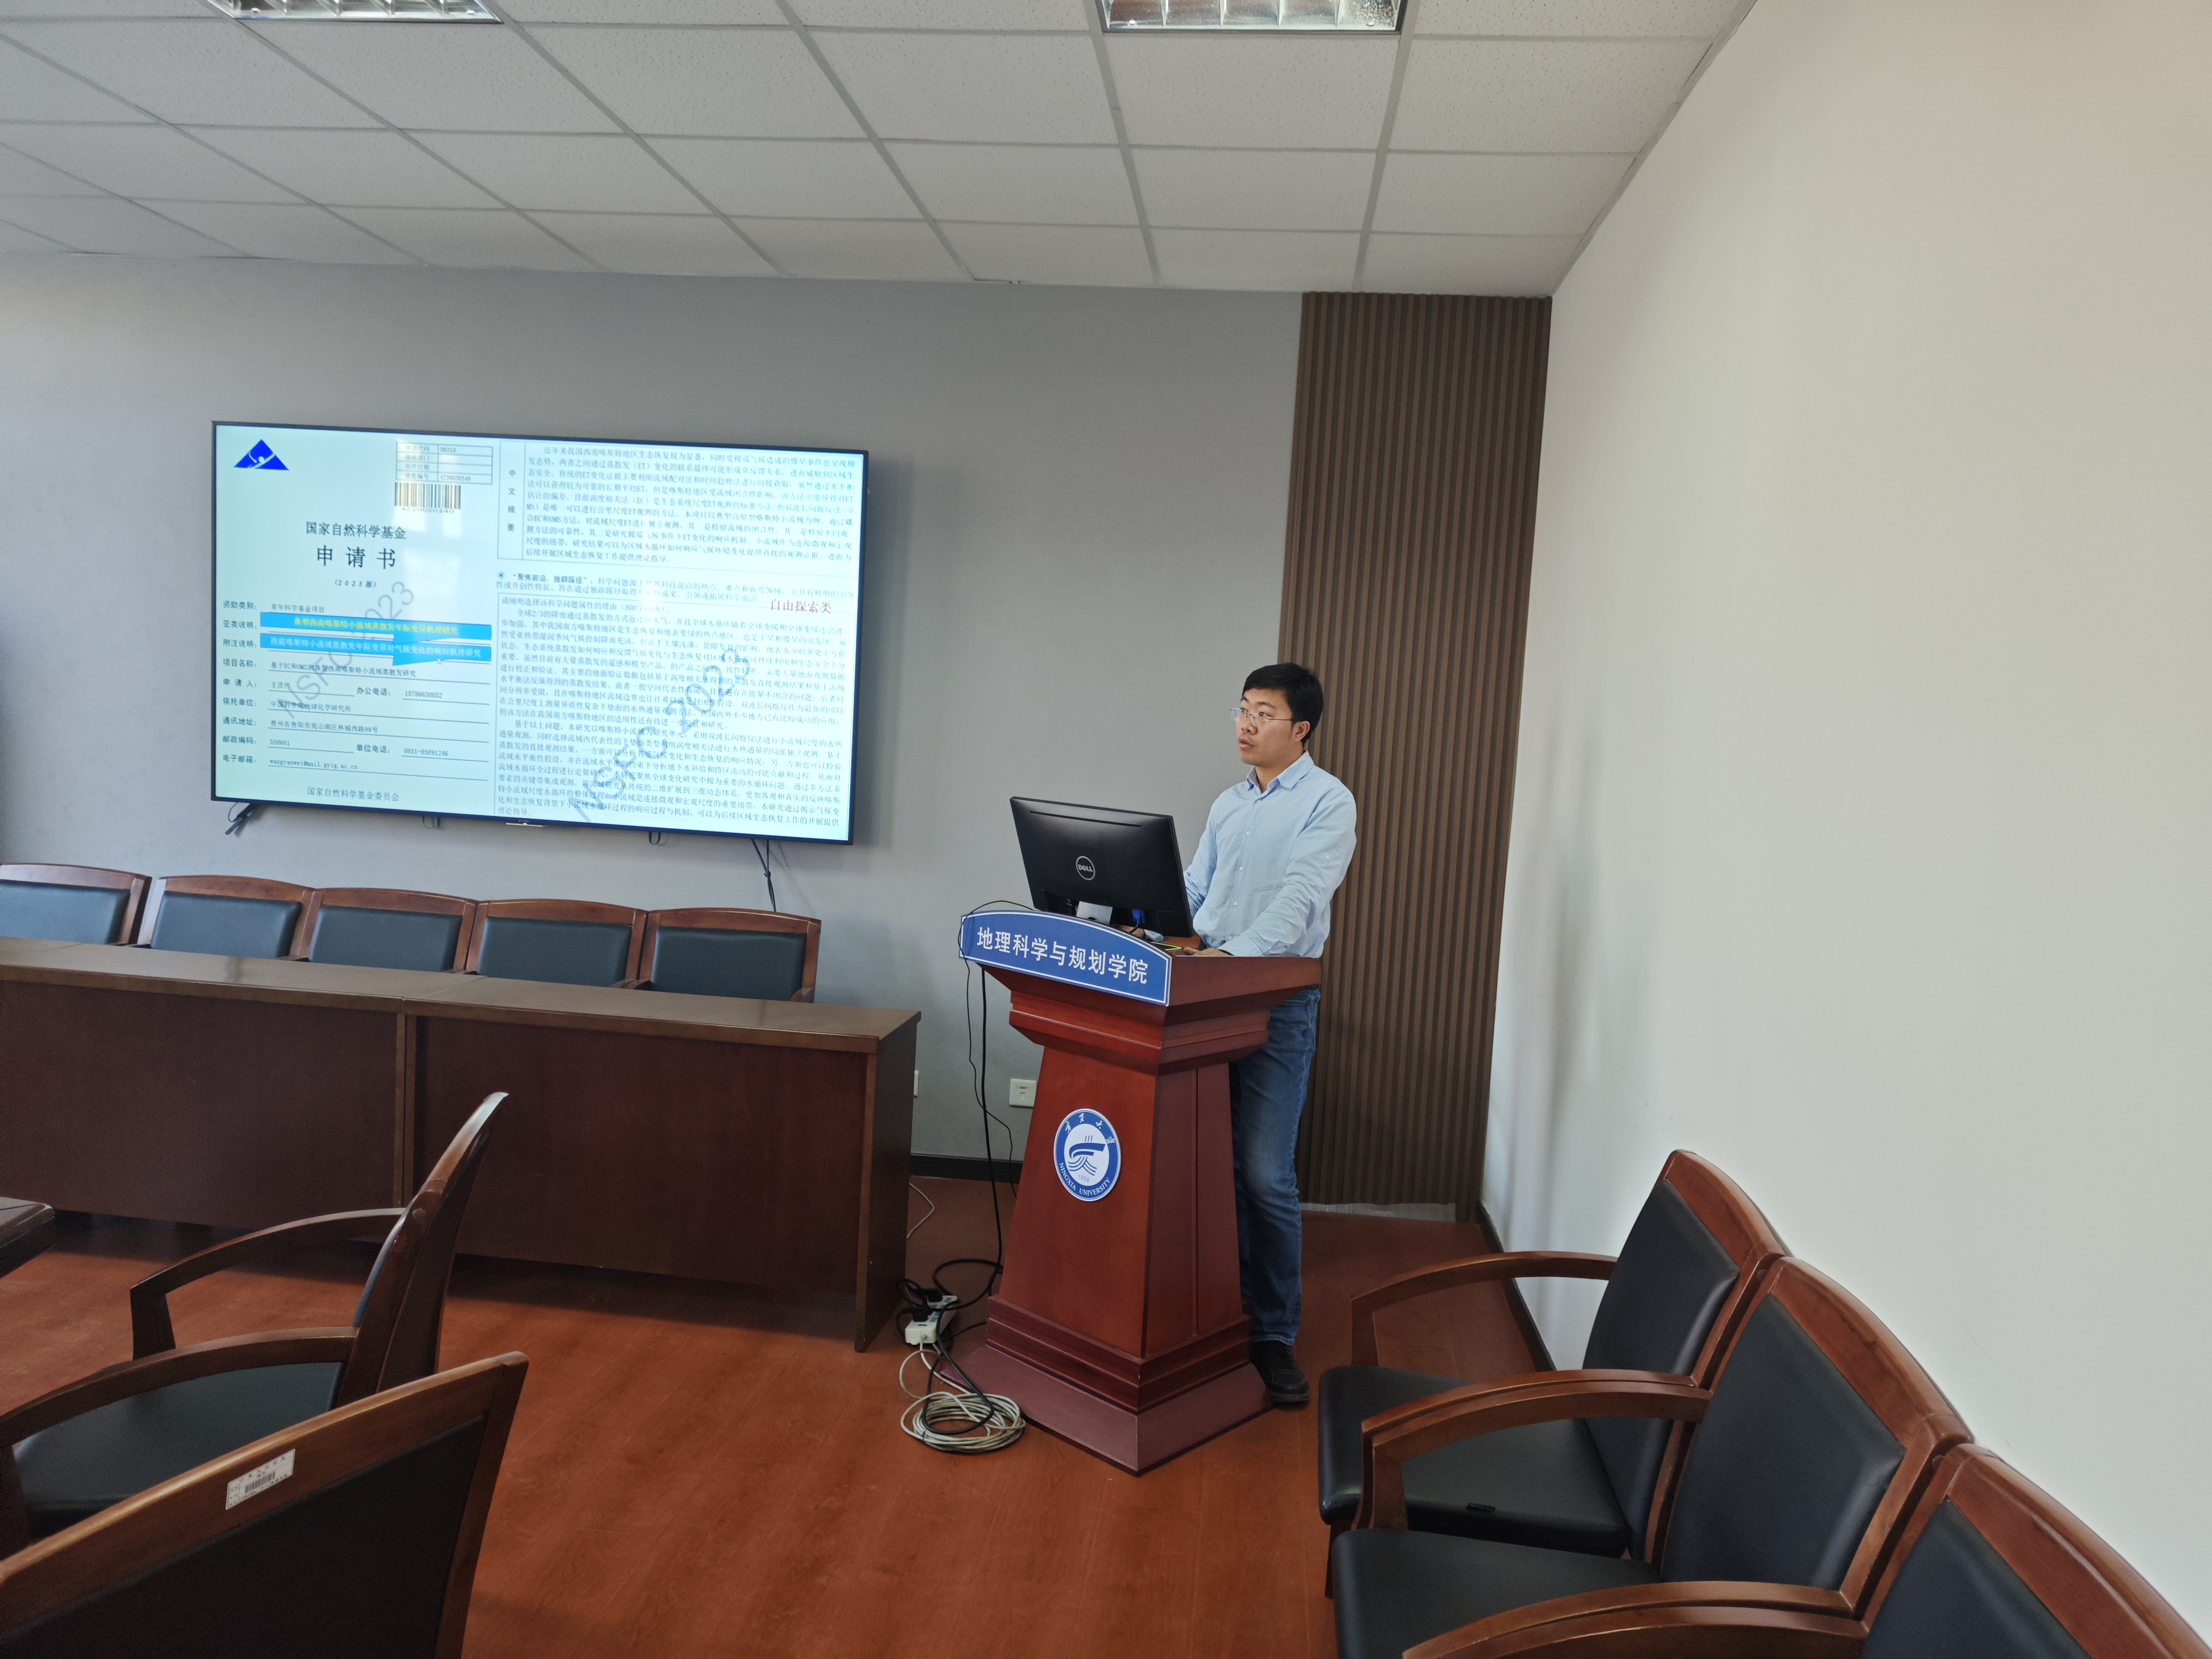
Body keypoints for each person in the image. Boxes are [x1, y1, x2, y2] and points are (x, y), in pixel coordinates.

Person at [1182, 662, 1357, 1406]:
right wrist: (1141, 924)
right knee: (1203, 1162)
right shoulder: (1229, 804)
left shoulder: (1329, 802)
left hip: (1275, 1002)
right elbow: (1196, 891)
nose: (1247, 724)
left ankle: (1275, 1333)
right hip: (1205, 996)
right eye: (1243, 709)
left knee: (1263, 1173)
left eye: (1264, 713)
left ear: (1301, 729)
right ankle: (1216, 1310)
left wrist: (1230, 961)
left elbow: (1299, 903)